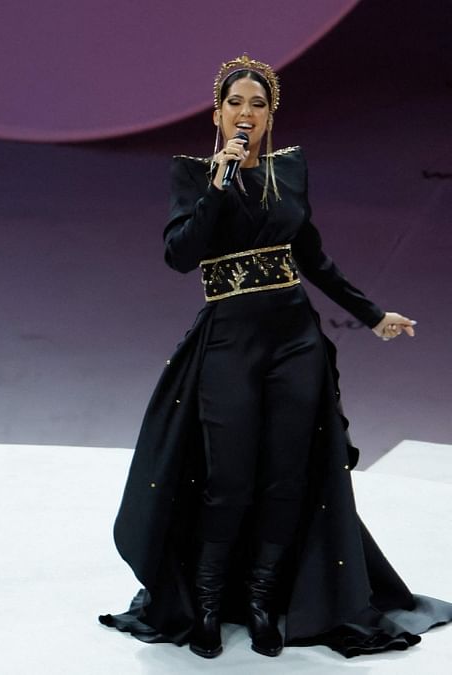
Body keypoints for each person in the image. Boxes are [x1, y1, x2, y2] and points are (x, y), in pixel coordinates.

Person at [99, 54, 452, 658]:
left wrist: (371, 314)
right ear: (218, 113)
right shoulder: (193, 175)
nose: (246, 113)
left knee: (288, 477)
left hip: (295, 337)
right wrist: (217, 183)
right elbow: (180, 255)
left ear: (270, 117)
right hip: (230, 340)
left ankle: (264, 605)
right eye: (235, 102)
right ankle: (208, 608)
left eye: (258, 105)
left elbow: (312, 256)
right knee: (228, 478)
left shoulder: (289, 171)